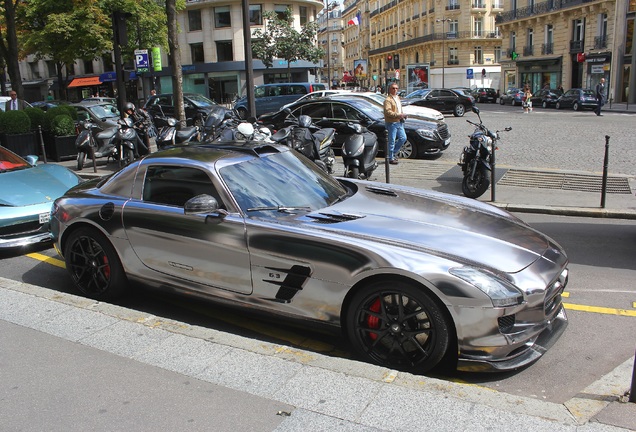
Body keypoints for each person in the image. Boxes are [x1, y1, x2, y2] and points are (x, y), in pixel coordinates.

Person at [383, 84, 407, 165]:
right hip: (391, 123)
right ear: (390, 89)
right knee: (391, 141)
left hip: (399, 122)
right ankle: (390, 158)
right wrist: (398, 115)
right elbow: (388, 112)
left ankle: (392, 154)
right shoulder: (388, 100)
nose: (395, 90)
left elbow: (400, 109)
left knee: (403, 138)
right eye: (393, 88)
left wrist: (403, 115)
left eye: (396, 88)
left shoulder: (397, 98)